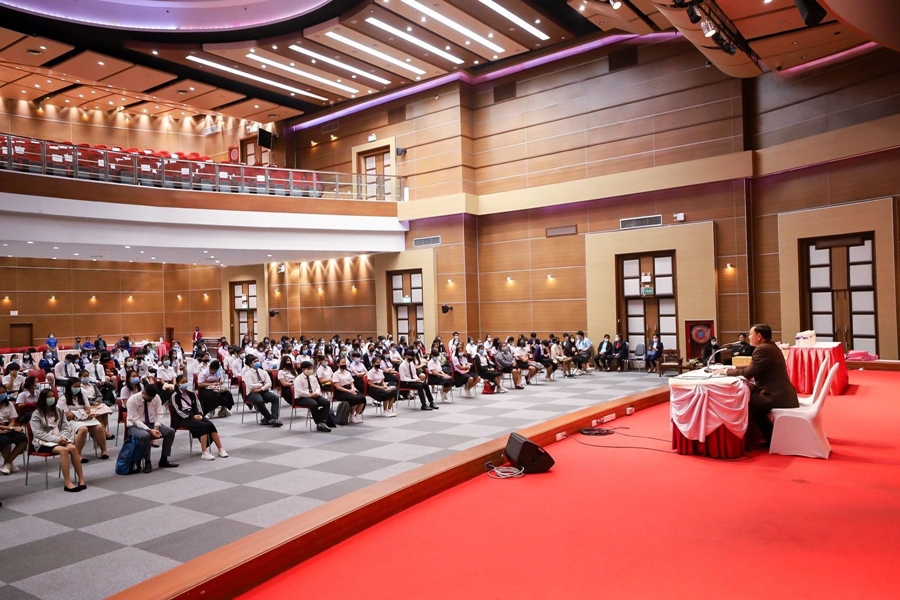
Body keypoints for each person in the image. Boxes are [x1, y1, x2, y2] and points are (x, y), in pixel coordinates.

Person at [722, 324, 799, 445]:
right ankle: (769, 438)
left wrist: (726, 372)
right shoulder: (770, 346)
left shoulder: (762, 349)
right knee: (751, 400)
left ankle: (772, 440)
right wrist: (732, 368)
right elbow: (753, 367)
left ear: (759, 336)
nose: (749, 337)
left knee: (745, 402)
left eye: (750, 334)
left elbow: (749, 372)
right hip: (783, 393)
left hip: (776, 395)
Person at [30, 389, 86, 491]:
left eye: (53, 396)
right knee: (64, 451)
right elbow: (38, 433)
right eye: (49, 397)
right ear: (43, 399)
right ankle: (67, 482)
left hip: (60, 438)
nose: (51, 398)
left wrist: (63, 438)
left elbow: (65, 427)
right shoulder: (36, 414)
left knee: (73, 448)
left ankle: (81, 479)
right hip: (43, 442)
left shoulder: (58, 411)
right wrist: (57, 439)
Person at [170, 374, 228, 460]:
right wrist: (192, 417)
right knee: (203, 426)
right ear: (178, 384)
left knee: (210, 424)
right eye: (183, 382)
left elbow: (198, 406)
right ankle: (204, 452)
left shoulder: (191, 394)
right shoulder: (174, 395)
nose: (185, 384)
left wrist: (200, 414)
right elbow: (178, 411)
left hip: (195, 414)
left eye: (186, 382)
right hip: (183, 418)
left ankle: (220, 449)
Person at [126, 383, 178, 473]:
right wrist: (149, 430)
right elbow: (135, 420)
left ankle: (164, 459)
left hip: (152, 423)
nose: (150, 399)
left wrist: (156, 427)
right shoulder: (133, 400)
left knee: (170, 432)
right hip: (135, 426)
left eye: (152, 397)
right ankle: (147, 462)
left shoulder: (156, 397)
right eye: (149, 397)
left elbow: (159, 414)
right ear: (143, 393)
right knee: (145, 436)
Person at [61, 379, 110, 460]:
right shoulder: (63, 398)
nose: (77, 388)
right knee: (83, 429)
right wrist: (83, 414)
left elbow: (88, 410)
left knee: (99, 427)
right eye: (75, 386)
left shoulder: (82, 395)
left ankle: (104, 451)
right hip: (71, 421)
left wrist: (75, 413)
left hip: (85, 418)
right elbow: (68, 416)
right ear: (69, 387)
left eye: (78, 386)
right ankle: (77, 454)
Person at [292, 361, 336, 431]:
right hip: (301, 398)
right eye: (309, 368)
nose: (311, 370)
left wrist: (316, 393)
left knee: (326, 402)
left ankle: (324, 421)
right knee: (314, 404)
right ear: (303, 369)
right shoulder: (298, 379)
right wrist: (310, 395)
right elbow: (300, 392)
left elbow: (318, 387)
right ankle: (318, 423)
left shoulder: (313, 377)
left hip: (314, 395)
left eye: (311, 368)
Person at [243, 356, 282, 427]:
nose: (257, 363)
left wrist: (261, 388)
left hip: (263, 391)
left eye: (257, 361)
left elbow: (269, 383)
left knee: (275, 398)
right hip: (252, 393)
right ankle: (270, 418)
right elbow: (251, 386)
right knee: (259, 401)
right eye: (255, 362)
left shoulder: (263, 372)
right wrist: (261, 384)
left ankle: (274, 418)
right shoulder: (248, 373)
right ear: (250, 364)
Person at [0, 384, 27, 475]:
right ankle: (8, 463)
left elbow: (12, 420)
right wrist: (10, 428)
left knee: (23, 438)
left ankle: (7, 463)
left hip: (8, 427)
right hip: (3, 429)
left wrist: (9, 428)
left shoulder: (10, 404)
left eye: (3, 392)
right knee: (5, 440)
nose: (2, 394)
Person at [331, 358, 367, 423]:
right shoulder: (335, 374)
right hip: (341, 391)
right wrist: (349, 391)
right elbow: (338, 387)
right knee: (354, 398)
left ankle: (357, 415)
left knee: (362, 397)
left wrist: (353, 389)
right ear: (338, 364)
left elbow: (352, 383)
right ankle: (352, 415)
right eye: (342, 363)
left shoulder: (348, 372)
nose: (344, 364)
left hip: (350, 389)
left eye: (344, 363)